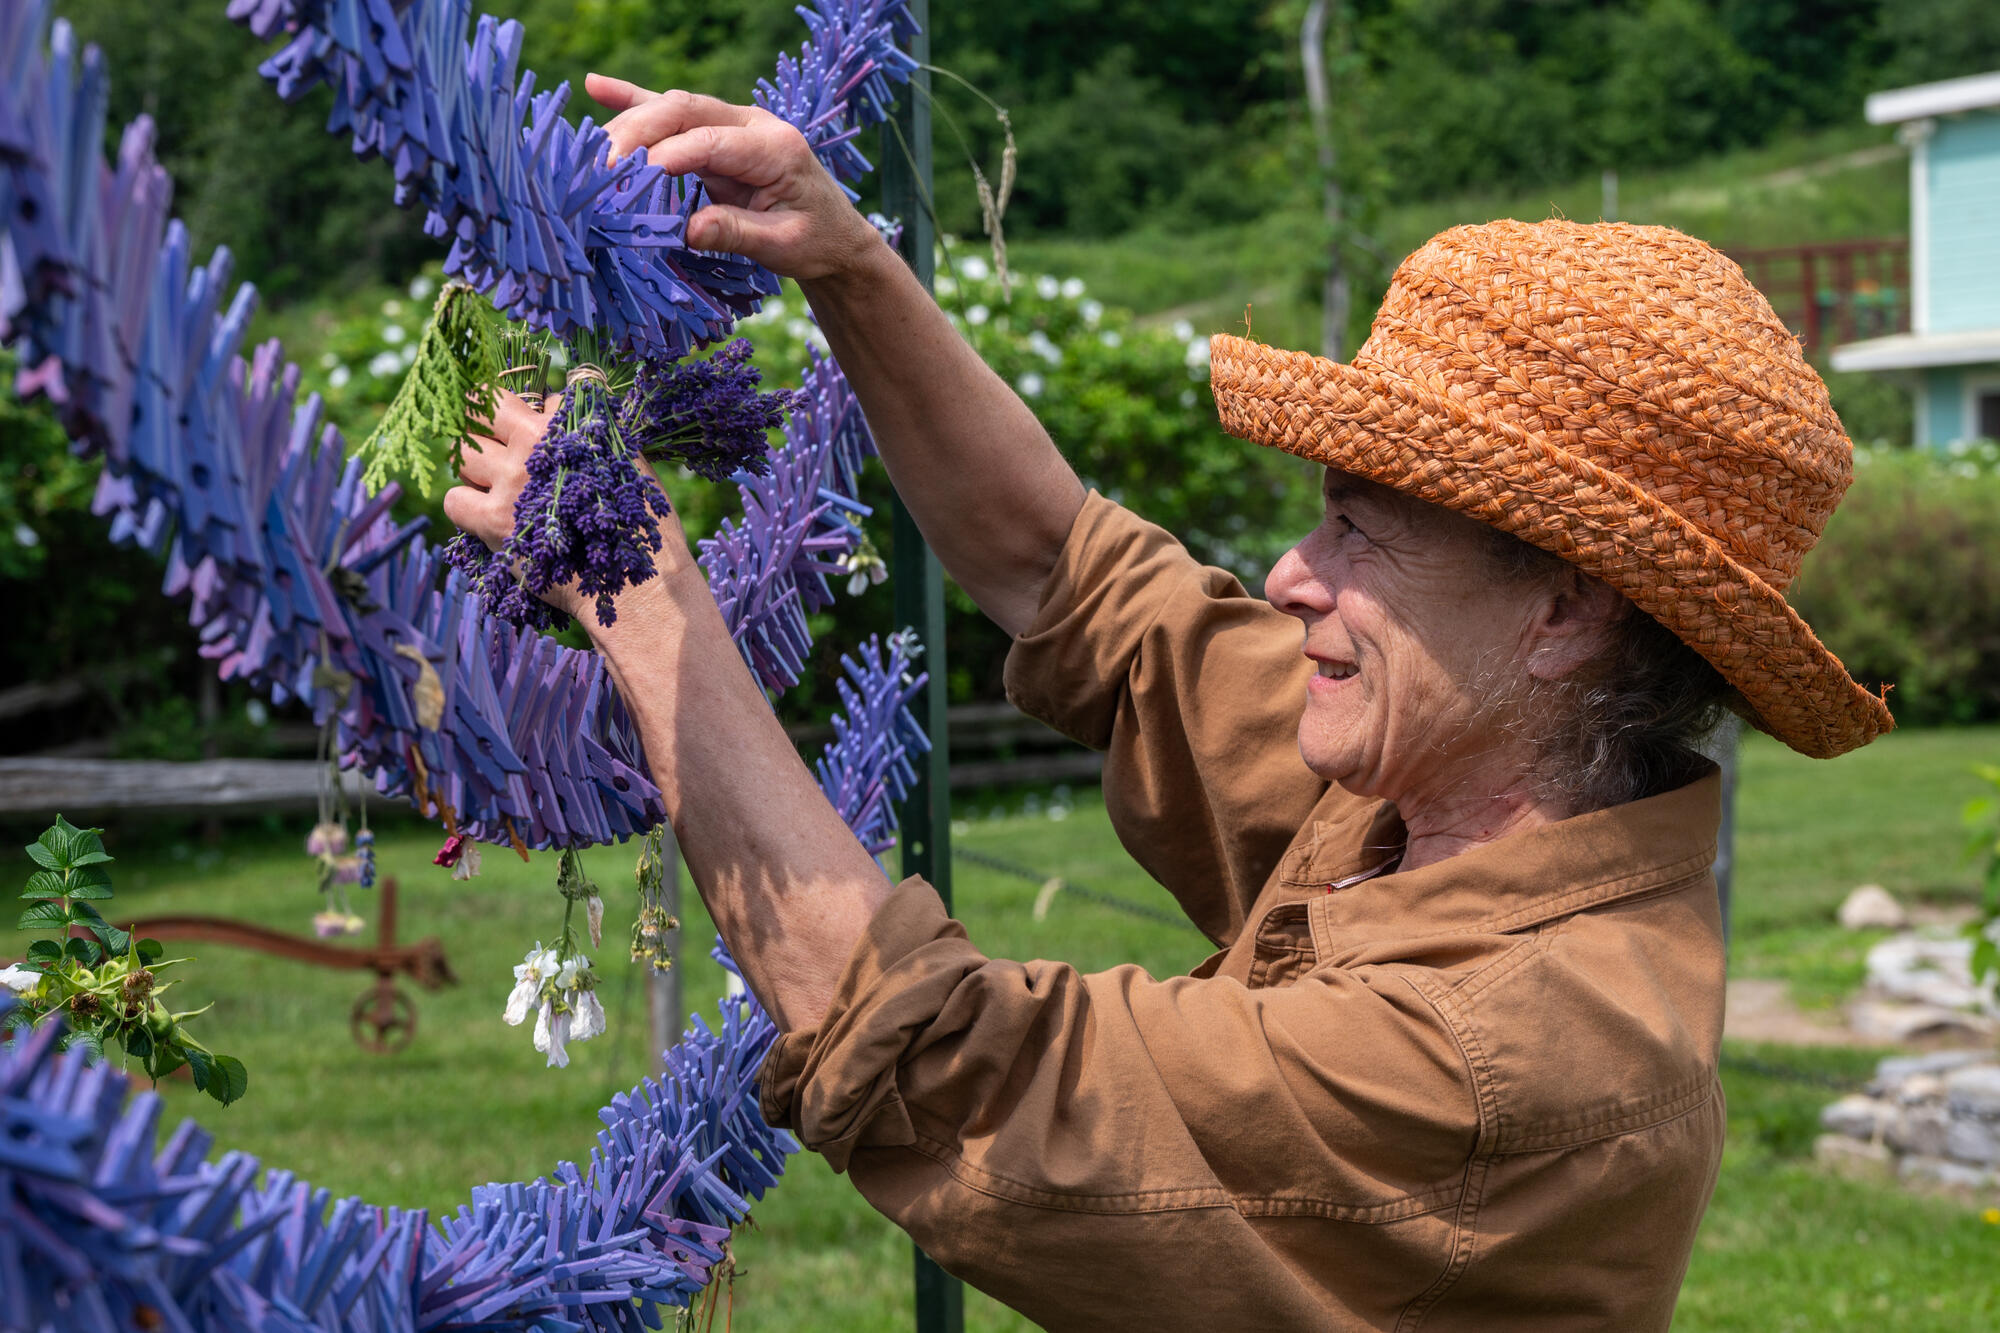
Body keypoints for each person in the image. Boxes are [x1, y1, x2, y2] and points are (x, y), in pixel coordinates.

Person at [443, 83, 1892, 1331]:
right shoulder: (1443, 787)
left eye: (1361, 531)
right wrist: (844, 256)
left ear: (1568, 610)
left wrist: (630, 581)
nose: (1291, 573)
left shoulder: (1502, 1050)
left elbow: (949, 1069)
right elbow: (1073, 573)